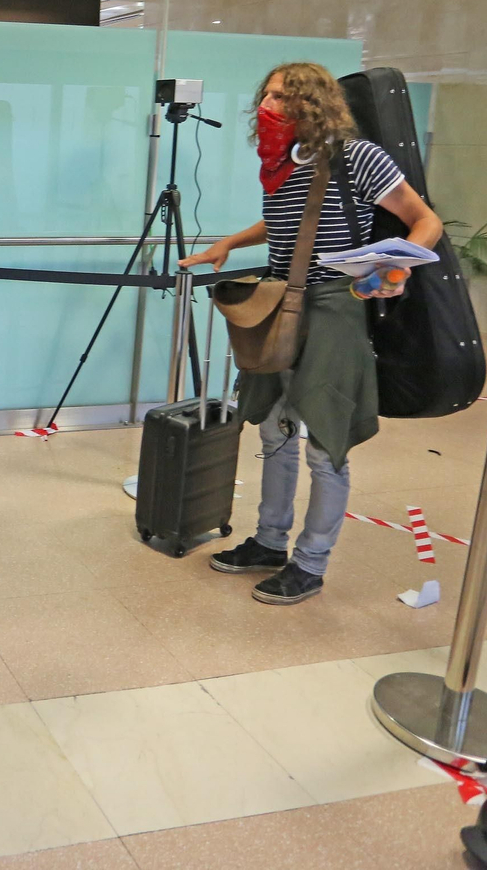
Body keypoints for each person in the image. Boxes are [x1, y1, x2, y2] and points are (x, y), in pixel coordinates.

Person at [180, 62, 442, 605]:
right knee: (274, 432)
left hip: (332, 307)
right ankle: (270, 542)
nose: (269, 107)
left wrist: (398, 266)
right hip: (280, 302)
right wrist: (229, 242)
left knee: (326, 443)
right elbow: (285, 221)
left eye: (283, 98)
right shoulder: (282, 162)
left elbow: (425, 220)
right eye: (267, 95)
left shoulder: (357, 158)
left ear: (313, 105)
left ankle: (311, 563)